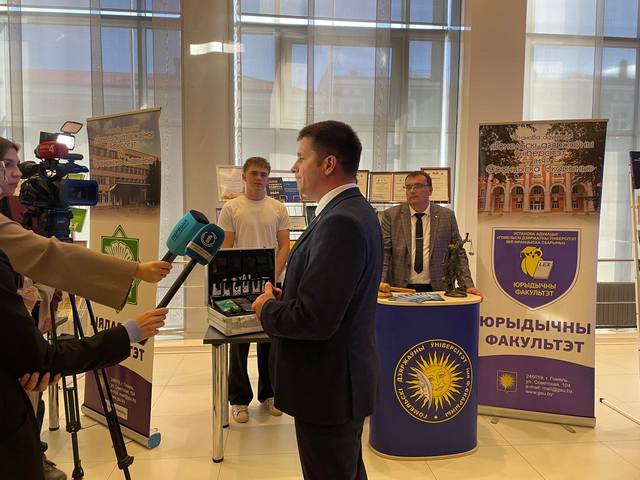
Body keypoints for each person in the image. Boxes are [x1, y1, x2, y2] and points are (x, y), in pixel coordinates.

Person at [252, 121, 382, 479]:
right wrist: (290, 295)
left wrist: (267, 309)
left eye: (301, 157)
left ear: (328, 164)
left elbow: (316, 319)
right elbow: (334, 295)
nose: (294, 167)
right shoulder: (353, 210)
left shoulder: (341, 221)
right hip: (338, 385)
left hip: (328, 389)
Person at [217, 156, 290, 423]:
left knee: (270, 341)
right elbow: (226, 246)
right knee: (238, 344)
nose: (259, 178)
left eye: (263, 174)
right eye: (254, 173)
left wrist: (271, 276)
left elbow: (284, 245)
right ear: (244, 177)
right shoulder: (231, 208)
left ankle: (269, 394)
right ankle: (238, 400)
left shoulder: (278, 208)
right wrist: (234, 279)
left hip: (271, 284)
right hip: (240, 285)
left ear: (268, 178)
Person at [380, 170, 482, 296]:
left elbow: (457, 252)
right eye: (408, 187)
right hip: (399, 288)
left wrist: (467, 286)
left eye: (417, 186)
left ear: (430, 190)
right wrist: (378, 283)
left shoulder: (446, 216)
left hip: (438, 288)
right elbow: (384, 252)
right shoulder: (391, 215)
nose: (412, 191)